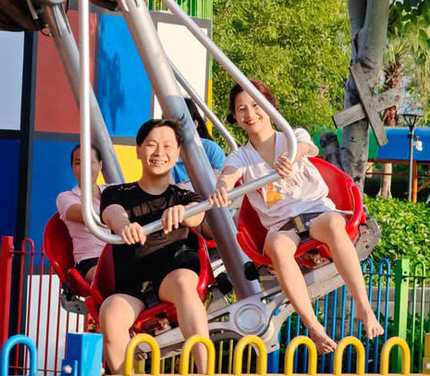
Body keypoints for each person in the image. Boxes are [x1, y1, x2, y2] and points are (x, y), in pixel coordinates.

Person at [209, 79, 384, 354]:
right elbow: (228, 176)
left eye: (256, 105)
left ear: (269, 107)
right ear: (234, 116)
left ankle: (363, 306)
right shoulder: (241, 157)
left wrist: (291, 158)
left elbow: (304, 146)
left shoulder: (291, 138)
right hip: (281, 225)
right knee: (277, 247)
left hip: (314, 209)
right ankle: (313, 326)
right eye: (241, 109)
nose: (250, 113)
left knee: (334, 225)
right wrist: (222, 188)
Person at [99, 119, 209, 374]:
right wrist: (124, 225)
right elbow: (112, 213)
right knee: (110, 313)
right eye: (151, 145)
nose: (159, 152)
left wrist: (182, 213)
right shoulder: (117, 193)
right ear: (138, 150)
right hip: (133, 284)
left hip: (172, 274)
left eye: (167, 146)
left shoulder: (183, 196)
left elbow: (197, 214)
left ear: (177, 153)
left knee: (183, 283)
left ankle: (204, 370)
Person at [56, 144, 106, 284]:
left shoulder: (111, 191)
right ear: (72, 167)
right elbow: (87, 216)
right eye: (78, 163)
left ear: (100, 165)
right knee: (107, 279)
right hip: (91, 261)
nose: (84, 167)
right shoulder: (66, 197)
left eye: (90, 162)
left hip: (120, 256)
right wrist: (118, 215)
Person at [170, 98, 225, 185]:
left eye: (181, 124)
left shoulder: (211, 149)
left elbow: (223, 179)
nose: (176, 130)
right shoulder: (167, 152)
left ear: (195, 124)